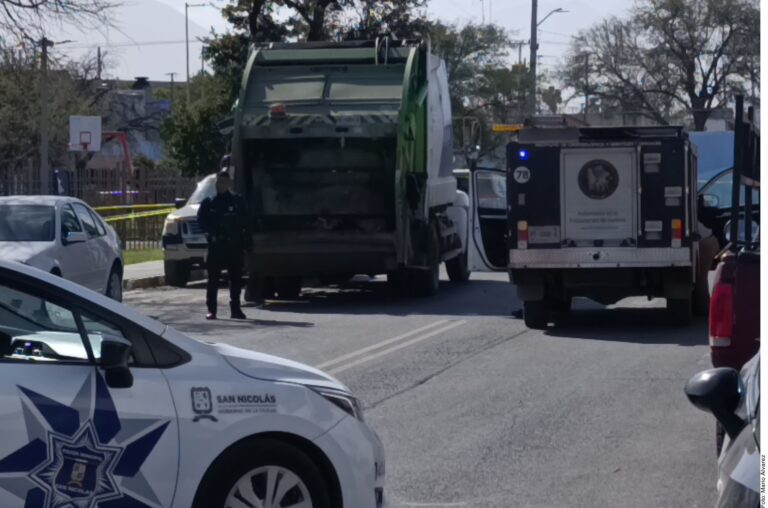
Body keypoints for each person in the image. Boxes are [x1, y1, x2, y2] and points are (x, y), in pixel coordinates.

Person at [197, 170, 251, 320]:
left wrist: (247, 243)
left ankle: (236, 309)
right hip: (216, 247)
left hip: (234, 246)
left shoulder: (237, 201)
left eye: (222, 182)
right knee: (213, 279)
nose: (219, 185)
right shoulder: (209, 202)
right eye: (218, 182)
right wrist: (210, 234)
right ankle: (211, 310)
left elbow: (246, 222)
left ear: (228, 184)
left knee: (235, 280)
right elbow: (201, 220)